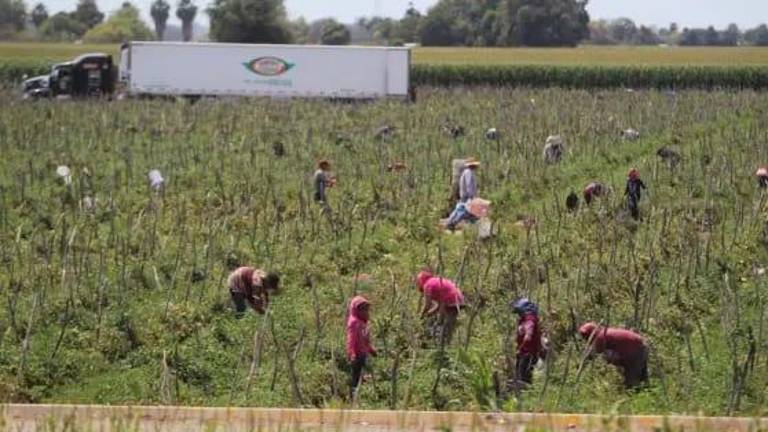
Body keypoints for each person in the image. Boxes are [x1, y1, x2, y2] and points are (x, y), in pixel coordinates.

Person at [578, 322, 649, 389]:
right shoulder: (605, 332)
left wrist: (579, 368)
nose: (585, 338)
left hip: (633, 351)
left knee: (632, 381)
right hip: (641, 345)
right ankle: (647, 392)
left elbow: (591, 355)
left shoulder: (600, 337)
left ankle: (635, 397)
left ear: (591, 333)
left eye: (585, 336)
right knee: (642, 377)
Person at [416, 270, 465, 345]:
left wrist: (421, 317)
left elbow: (427, 305)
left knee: (442, 325)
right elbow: (438, 306)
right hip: (459, 300)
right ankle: (445, 344)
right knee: (448, 325)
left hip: (451, 301)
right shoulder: (434, 282)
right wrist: (428, 314)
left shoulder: (427, 285)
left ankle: (441, 346)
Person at [347, 295, 377, 399]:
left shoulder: (363, 323)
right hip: (357, 355)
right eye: (364, 310)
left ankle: (362, 395)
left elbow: (365, 340)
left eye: (367, 310)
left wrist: (371, 349)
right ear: (357, 311)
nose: (366, 313)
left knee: (362, 375)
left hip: (363, 353)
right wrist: (352, 353)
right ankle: (353, 398)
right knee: (356, 377)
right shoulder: (355, 323)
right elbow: (352, 340)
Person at [512, 298, 545, 387]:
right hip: (523, 353)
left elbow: (528, 336)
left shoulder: (529, 320)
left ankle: (525, 397)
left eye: (519, 311)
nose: (519, 314)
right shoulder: (523, 320)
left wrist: (520, 348)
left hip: (528, 354)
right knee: (519, 376)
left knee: (524, 378)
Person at [446, 158, 480, 230]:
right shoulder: (469, 173)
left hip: (465, 195)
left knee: (460, 209)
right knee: (463, 210)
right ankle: (451, 223)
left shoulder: (467, 172)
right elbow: (469, 185)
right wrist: (472, 196)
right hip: (467, 196)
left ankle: (450, 222)